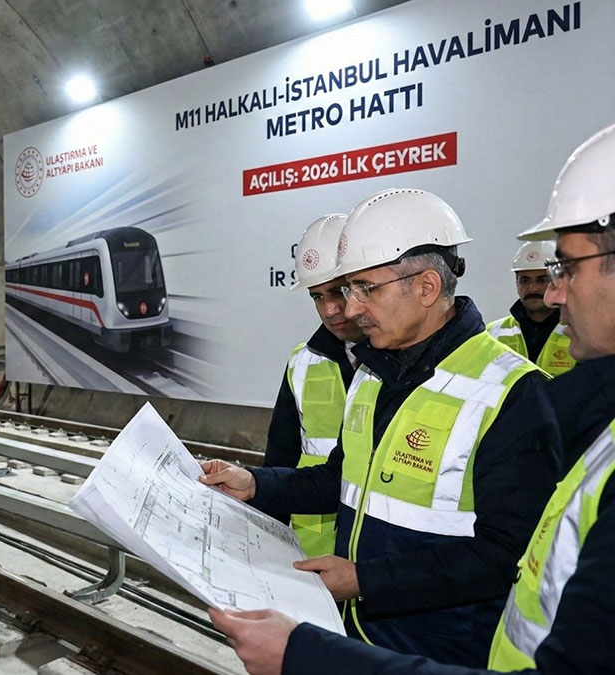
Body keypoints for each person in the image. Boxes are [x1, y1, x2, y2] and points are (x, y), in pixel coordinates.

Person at [206, 122, 615, 675]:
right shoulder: (373, 375)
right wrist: (257, 483)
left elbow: (503, 552)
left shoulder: (512, 393)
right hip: (356, 635)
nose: (350, 309)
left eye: (365, 289)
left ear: (425, 287)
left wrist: (364, 580)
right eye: (346, 289)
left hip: (442, 653)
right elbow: (342, 479)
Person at [264, 214, 364, 557]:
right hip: (311, 552)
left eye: (338, 291)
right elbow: (281, 457)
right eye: (317, 297)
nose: (330, 309)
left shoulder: (402, 360)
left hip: (374, 559)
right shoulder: (303, 362)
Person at [487, 241, 576, 376]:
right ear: (517, 284)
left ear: (559, 282)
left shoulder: (581, 331)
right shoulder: (492, 333)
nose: (533, 288)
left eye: (542, 280)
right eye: (525, 281)